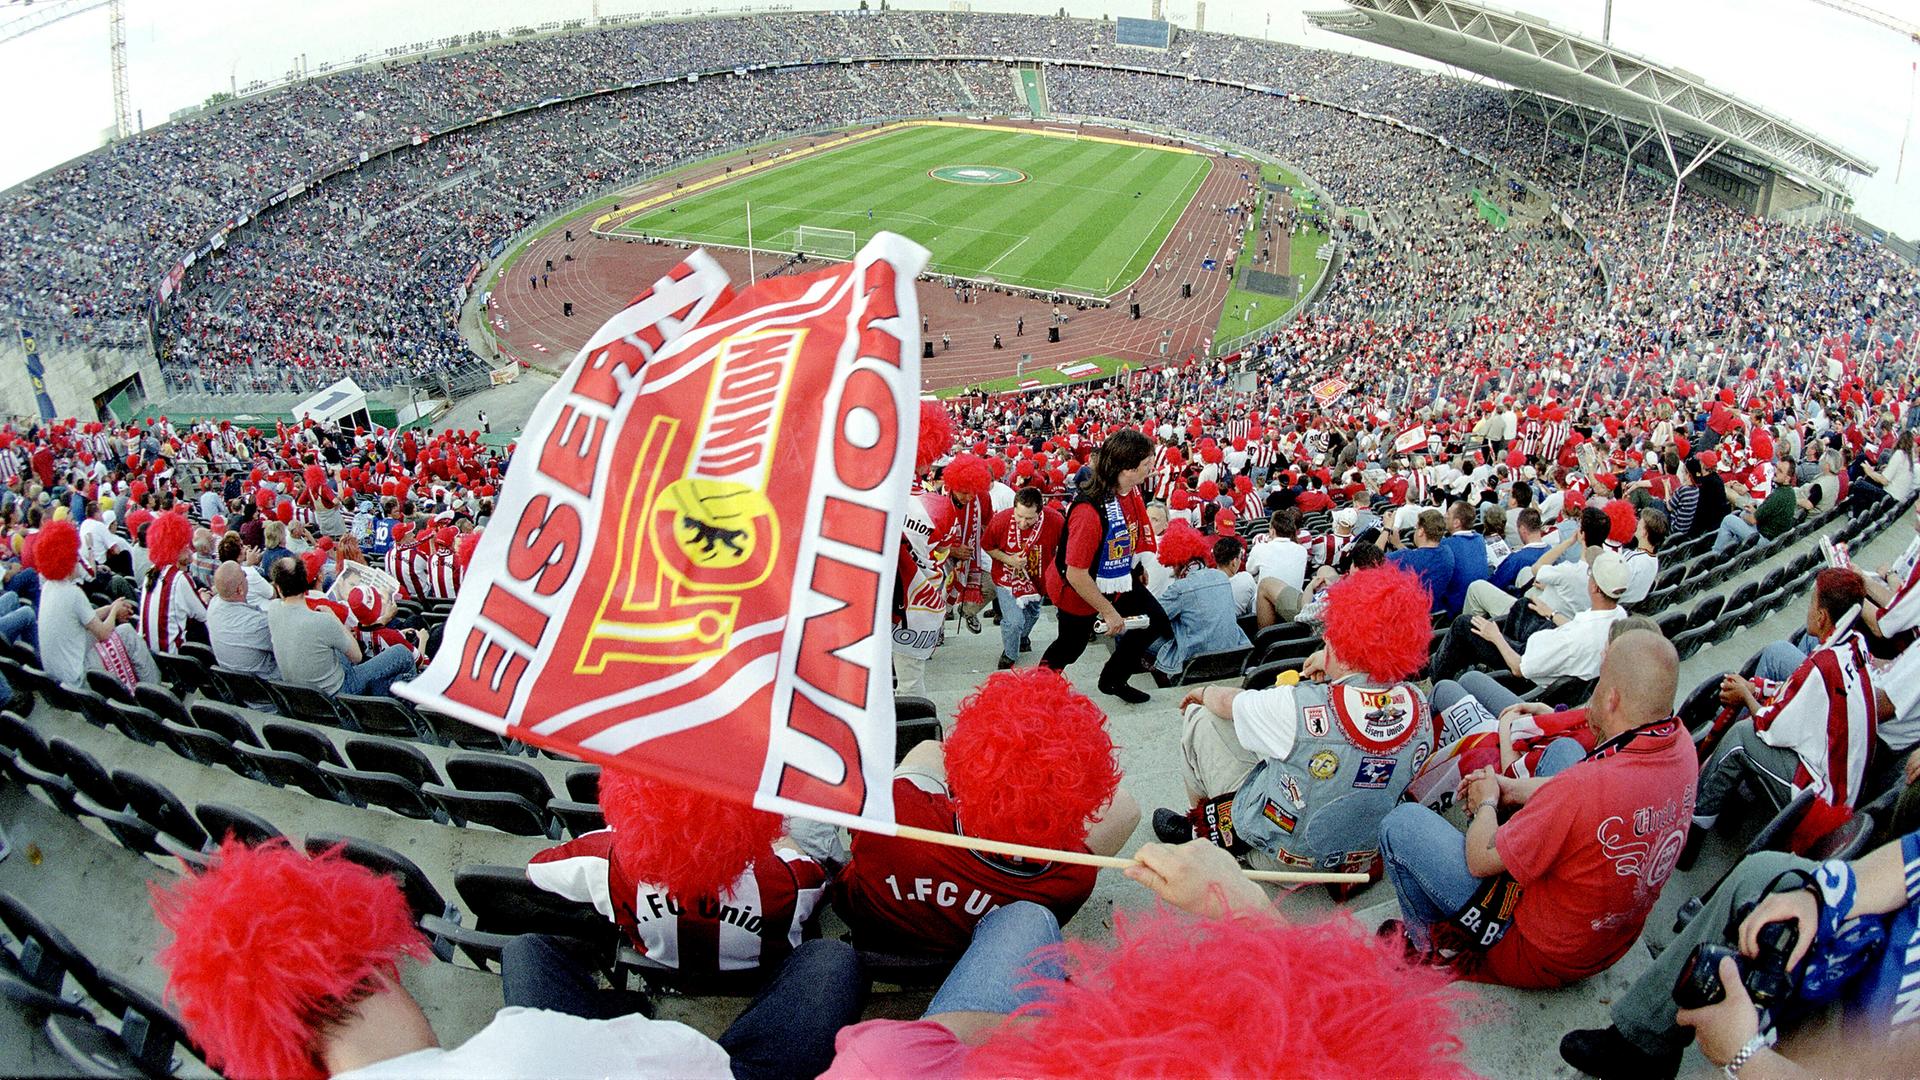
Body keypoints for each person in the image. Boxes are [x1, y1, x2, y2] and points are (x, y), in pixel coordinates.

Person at [151, 838, 862, 1080]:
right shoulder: (529, 1041)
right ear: (371, 961)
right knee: (831, 962)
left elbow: (536, 873)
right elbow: (694, 1062)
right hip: (685, 1059)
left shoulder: (608, 858)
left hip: (635, 985)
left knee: (526, 950)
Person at [823, 841, 1473, 1078]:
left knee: (1022, 919)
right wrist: (1243, 903)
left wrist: (1072, 1027)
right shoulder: (1071, 878)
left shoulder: (878, 1067)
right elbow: (1336, 1052)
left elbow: (964, 1036)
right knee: (1031, 915)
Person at [1377, 628, 1695, 988]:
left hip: (1535, 950)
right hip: (1605, 941)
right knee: (1565, 752)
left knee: (1400, 824)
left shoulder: (1582, 791)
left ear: (1612, 699)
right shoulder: (1681, 748)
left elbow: (1480, 858)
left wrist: (1487, 801)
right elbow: (1579, 794)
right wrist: (1511, 788)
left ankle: (1427, 948)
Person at [1560, 824, 1920, 1079]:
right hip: (1869, 953)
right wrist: (1818, 898)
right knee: (1763, 875)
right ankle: (1644, 1043)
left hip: (1869, 1050)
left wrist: (1745, 1058)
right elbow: (1911, 857)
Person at [833, 667, 1139, 958]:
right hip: (983, 958)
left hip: (876, 929)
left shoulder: (895, 807)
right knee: (1127, 806)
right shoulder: (1073, 874)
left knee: (929, 748)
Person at [1155, 565, 1434, 876]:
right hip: (1360, 852)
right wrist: (1333, 672)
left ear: (1344, 643)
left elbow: (1228, 703)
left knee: (1200, 717)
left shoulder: (1297, 705)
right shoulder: (1418, 703)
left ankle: (1200, 830)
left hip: (1283, 858)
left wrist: (1203, 691)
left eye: (1330, 638)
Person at [527, 768, 826, 980]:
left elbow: (537, 870)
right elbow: (818, 880)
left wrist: (624, 832)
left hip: (658, 968)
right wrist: (778, 843)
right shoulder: (791, 878)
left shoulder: (603, 859)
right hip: (761, 979)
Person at [1691, 568, 1878, 841]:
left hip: (1823, 800)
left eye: (1813, 602)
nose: (1809, 609)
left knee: (1741, 736)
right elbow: (1803, 691)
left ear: (1822, 616)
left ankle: (1695, 825)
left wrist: (1745, 696)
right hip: (1841, 776)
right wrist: (1756, 687)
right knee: (1775, 657)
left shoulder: (1822, 665)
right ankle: (1729, 786)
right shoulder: (1855, 641)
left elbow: (1768, 725)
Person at [1040, 429, 1164, 704]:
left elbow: (1126, 535)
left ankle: (1113, 679)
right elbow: (1076, 573)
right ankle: (1038, 691)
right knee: (1071, 647)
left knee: (1155, 620)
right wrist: (1108, 612)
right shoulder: (1088, 513)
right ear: (1125, 468)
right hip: (1080, 589)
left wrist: (1135, 566)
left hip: (1118, 575)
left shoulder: (1127, 491)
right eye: (1146, 466)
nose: (1151, 471)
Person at [33, 519, 158, 688]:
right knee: (127, 632)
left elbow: (86, 619)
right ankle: (156, 688)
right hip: (77, 675)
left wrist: (110, 608)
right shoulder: (72, 593)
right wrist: (114, 610)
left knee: (119, 629)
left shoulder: (49, 587)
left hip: (61, 672)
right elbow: (104, 633)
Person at [266, 557, 414, 698]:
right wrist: (335, 619)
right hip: (338, 695)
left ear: (278, 588)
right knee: (401, 652)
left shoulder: (273, 610)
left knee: (336, 648)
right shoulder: (324, 621)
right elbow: (357, 657)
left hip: (302, 697)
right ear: (305, 582)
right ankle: (411, 708)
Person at [1144, 521, 1250, 679]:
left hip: (1195, 662)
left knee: (1132, 634)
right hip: (1231, 656)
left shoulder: (1180, 588)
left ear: (1178, 562)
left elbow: (1154, 617)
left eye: (1172, 565)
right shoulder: (1222, 577)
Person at [980, 486, 1060, 670]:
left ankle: (1022, 638)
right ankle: (1009, 654)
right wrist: (1009, 560)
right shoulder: (1000, 520)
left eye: (1029, 518)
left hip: (1038, 581)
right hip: (1006, 579)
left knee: (1032, 614)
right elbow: (987, 546)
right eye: (1019, 516)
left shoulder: (1055, 520)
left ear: (1040, 511)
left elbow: (1065, 548)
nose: (1023, 523)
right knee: (1014, 621)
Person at [136, 511, 208, 655]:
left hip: (150, 653)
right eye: (185, 546)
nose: (189, 550)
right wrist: (204, 599)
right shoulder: (179, 578)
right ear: (175, 548)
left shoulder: (151, 572)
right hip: (173, 658)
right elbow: (203, 615)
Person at [207, 560, 278, 677]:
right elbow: (285, 646)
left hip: (232, 679)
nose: (246, 577)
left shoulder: (213, 605)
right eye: (244, 575)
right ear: (240, 589)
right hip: (264, 684)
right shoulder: (256, 624)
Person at [1714, 458, 1798, 554]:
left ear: (1787, 478)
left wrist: (1743, 517)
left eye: (1780, 471)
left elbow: (1752, 520)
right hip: (1771, 537)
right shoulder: (1790, 492)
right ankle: (1729, 549)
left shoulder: (1778, 495)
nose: (1775, 472)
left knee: (1728, 520)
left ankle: (1715, 555)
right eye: (1776, 468)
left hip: (1765, 541)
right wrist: (1753, 511)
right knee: (1745, 512)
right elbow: (1771, 514)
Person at [1384, 509, 1455, 614]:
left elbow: (1370, 560)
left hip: (1409, 616)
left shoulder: (1404, 558)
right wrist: (1398, 544)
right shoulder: (1447, 552)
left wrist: (1386, 529)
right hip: (1436, 613)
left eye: (1416, 528)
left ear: (1421, 531)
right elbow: (1420, 556)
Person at [1438, 500, 1489, 619]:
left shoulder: (1446, 546)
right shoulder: (1480, 539)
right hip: (1478, 605)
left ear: (1456, 523)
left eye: (1448, 513)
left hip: (1456, 610)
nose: (1444, 515)